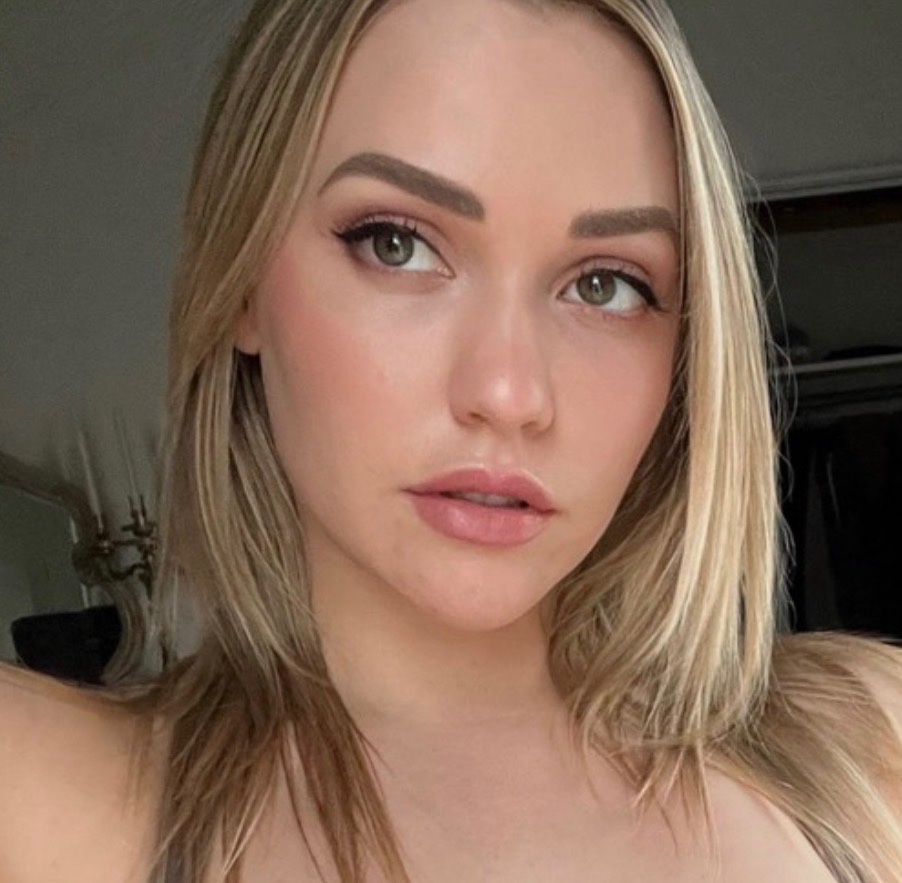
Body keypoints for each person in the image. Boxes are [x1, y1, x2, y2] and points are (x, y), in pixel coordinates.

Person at [1, 0, 900, 880]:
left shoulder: (873, 750)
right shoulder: (49, 792)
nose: (509, 394)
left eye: (606, 285)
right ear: (242, 282)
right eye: (396, 244)